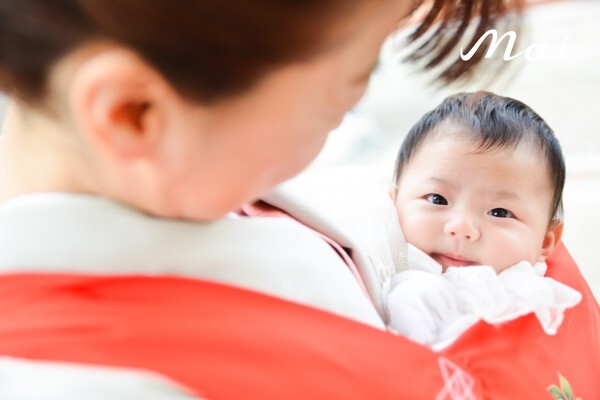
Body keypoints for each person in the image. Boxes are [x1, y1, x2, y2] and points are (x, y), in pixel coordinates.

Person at [0, 1, 598, 399]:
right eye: (352, 80)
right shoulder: (91, 378)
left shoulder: (222, 177)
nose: (346, 113)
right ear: (135, 112)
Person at [386, 92, 582, 350]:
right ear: (394, 202)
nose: (461, 227)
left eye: (499, 212)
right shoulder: (404, 286)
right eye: (436, 199)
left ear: (545, 241)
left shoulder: (542, 297)